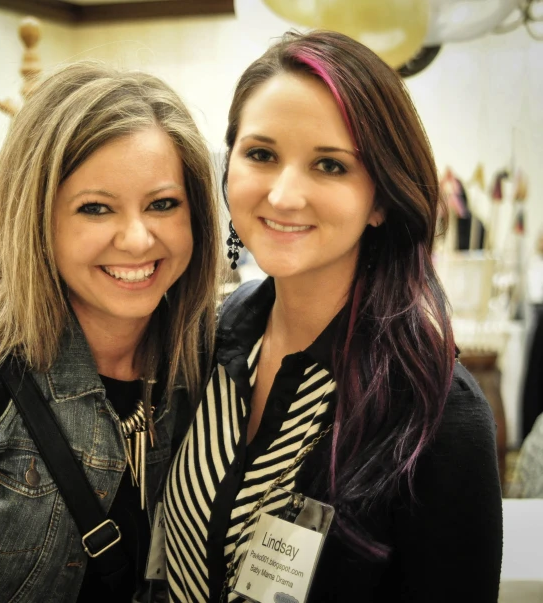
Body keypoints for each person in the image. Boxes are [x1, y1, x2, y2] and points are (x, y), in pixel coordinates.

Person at [163, 30, 502, 602]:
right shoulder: (212, 338)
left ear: (381, 200)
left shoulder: (437, 414)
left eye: (329, 165)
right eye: (261, 154)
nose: (284, 195)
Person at [0, 61, 220, 602]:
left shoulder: (203, 372)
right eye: (96, 208)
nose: (137, 238)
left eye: (163, 204)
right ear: (40, 219)